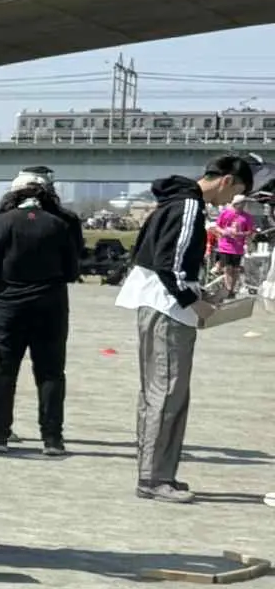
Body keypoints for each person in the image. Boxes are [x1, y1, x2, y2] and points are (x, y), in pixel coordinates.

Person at [117, 156, 256, 503]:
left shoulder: (173, 202)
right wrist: (195, 301)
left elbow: (159, 258)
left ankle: (158, 472)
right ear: (226, 180)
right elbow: (171, 265)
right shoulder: (190, 206)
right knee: (166, 393)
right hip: (169, 309)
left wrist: (199, 293)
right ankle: (153, 478)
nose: (231, 200)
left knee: (158, 393)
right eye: (236, 191)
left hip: (157, 303)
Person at [0, 170, 83, 456]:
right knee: (51, 372)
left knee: (5, 369)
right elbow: (72, 272)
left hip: (9, 306)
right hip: (51, 305)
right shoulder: (59, 224)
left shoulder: (0, 222)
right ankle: (52, 438)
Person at [211, 193, 254, 297]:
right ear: (236, 204)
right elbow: (217, 227)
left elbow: (250, 231)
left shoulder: (247, 217)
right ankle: (228, 289)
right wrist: (223, 232)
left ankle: (232, 289)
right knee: (227, 268)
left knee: (235, 269)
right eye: (241, 203)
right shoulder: (225, 213)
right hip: (225, 245)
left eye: (244, 203)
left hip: (238, 247)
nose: (243, 205)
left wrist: (240, 234)